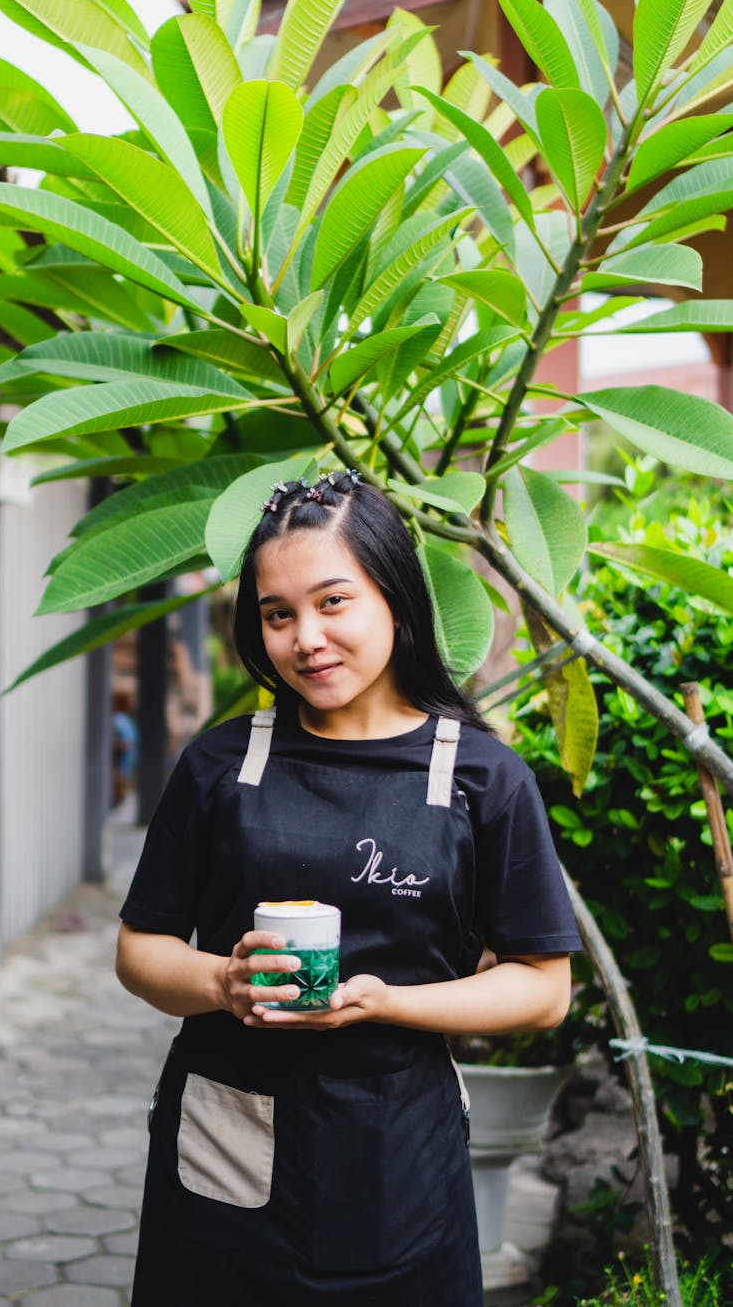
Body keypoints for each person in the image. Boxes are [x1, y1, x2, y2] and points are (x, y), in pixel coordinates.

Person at [116, 469, 583, 1307]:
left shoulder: (480, 775)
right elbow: (140, 950)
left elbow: (544, 989)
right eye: (278, 613)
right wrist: (221, 982)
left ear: (395, 598)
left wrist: (386, 1002)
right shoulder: (223, 763)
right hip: (225, 1136)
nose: (307, 638)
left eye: (334, 601)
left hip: (400, 1146)